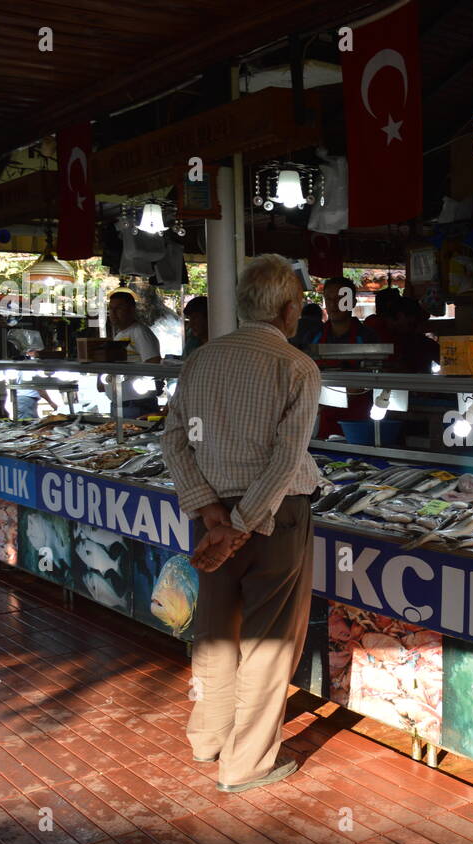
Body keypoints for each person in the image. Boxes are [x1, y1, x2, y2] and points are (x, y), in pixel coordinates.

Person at [162, 253, 321, 794]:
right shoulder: (296, 367)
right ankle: (246, 764)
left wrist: (209, 510)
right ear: (287, 307)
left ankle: (207, 738)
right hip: (275, 519)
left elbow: (174, 440)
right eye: (298, 303)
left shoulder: (201, 360)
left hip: (212, 519)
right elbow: (284, 459)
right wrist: (241, 523)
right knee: (267, 640)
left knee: (215, 630)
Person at [314, 275, 377, 438]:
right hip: (324, 421)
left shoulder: (368, 338)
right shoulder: (314, 337)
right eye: (329, 299)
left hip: (360, 422)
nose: (334, 305)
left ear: (352, 302)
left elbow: (372, 381)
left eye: (341, 299)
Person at [104, 288, 162, 417]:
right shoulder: (120, 335)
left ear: (131, 310)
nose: (113, 313)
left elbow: (153, 362)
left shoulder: (140, 332)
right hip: (121, 402)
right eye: (111, 309)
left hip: (136, 403)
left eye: (118, 308)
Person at [14, 348, 60, 420]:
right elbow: (39, 387)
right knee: (26, 425)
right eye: (36, 351)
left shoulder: (26, 364)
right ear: (29, 352)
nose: (38, 353)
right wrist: (51, 402)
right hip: (26, 400)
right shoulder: (30, 366)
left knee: (31, 423)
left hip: (25, 400)